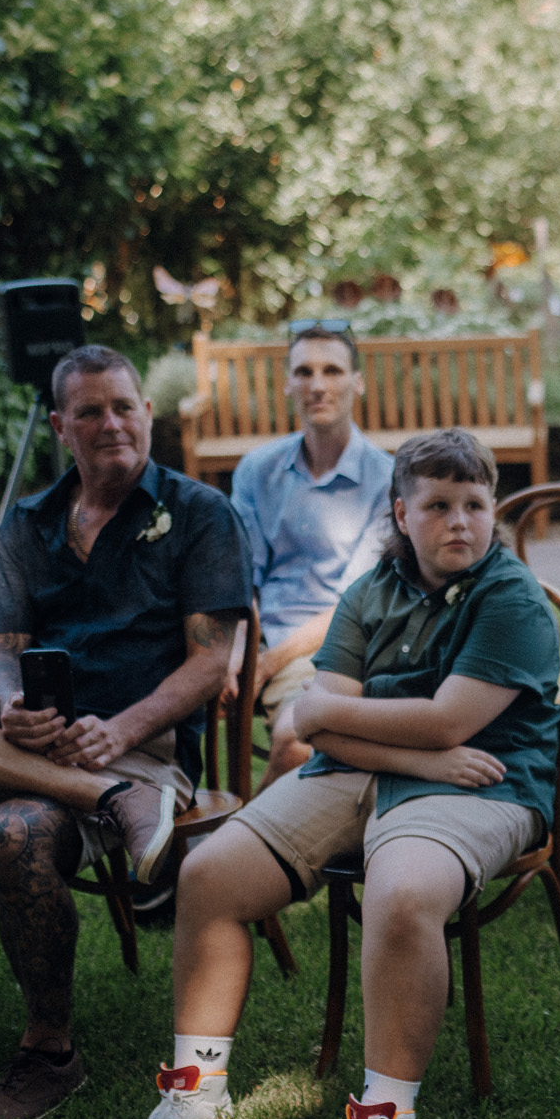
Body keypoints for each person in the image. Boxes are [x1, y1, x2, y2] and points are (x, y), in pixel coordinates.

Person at [112, 429, 560, 1119]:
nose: (460, 521)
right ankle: (195, 1091)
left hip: (485, 781)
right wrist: (404, 750)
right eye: (439, 505)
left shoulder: (513, 597)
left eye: (476, 504)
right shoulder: (369, 591)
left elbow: (448, 721)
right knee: (209, 874)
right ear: (401, 510)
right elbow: (313, 729)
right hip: (393, 770)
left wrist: (358, 724)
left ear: (494, 512)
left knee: (402, 893)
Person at [0, 345, 252, 1119]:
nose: (113, 425)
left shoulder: (199, 513)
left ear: (146, 413)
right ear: (62, 427)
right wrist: (7, 707)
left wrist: (124, 730)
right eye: (91, 412)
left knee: (13, 829)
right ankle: (110, 803)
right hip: (36, 748)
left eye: (125, 407)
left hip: (144, 748)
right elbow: (0, 648)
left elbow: (213, 662)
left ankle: (47, 1051)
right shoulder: (32, 523)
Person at [228, 320, 395, 789]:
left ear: (357, 382)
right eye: (303, 372)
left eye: (332, 371)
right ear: (286, 383)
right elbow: (242, 581)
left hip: (344, 646)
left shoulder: (389, 480)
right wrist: (235, 654)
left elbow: (354, 606)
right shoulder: (257, 471)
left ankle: (232, 847)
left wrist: (264, 664)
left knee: (298, 740)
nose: (318, 385)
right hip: (262, 638)